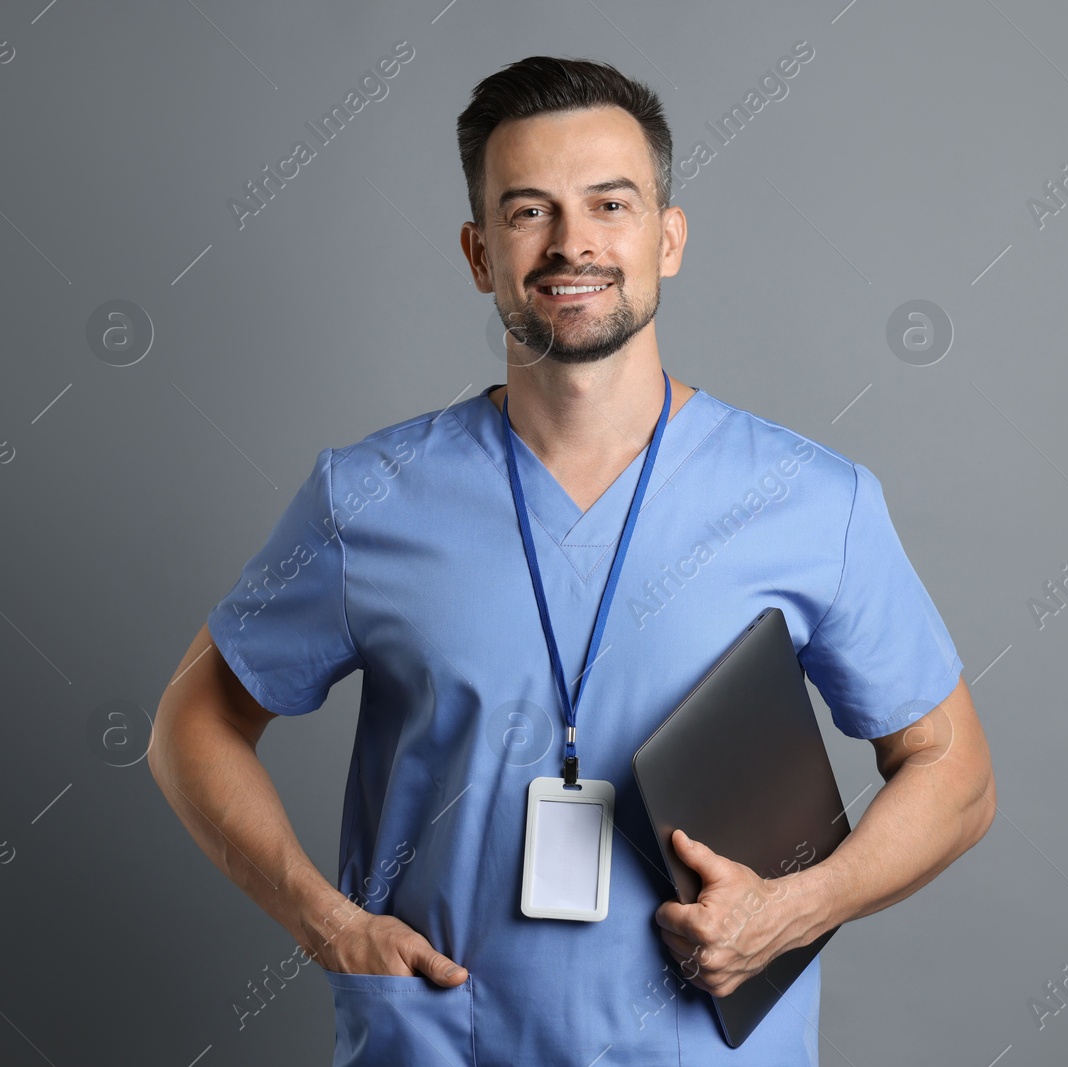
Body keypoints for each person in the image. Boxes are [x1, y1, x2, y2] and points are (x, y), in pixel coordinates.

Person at [150, 54, 996, 1067]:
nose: (572, 243)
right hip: (443, 1037)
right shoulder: (367, 496)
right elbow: (192, 722)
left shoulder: (812, 501)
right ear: (477, 253)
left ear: (667, 237)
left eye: (610, 203)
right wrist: (326, 924)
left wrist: (793, 909)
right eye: (527, 212)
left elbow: (955, 771)